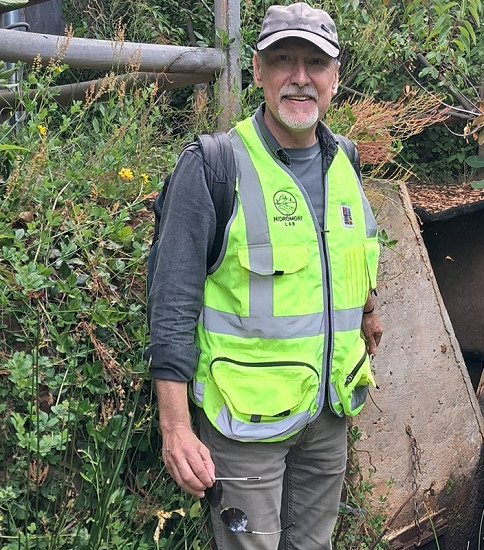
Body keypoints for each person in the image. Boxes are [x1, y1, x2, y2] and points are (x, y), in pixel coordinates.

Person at [145, 3, 383, 548]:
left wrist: (368, 312)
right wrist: (176, 426)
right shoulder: (214, 166)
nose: (300, 78)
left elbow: (351, 255)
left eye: (315, 63)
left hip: (329, 414)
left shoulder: (345, 159)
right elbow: (173, 301)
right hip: (244, 425)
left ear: (335, 77)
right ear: (257, 70)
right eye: (283, 60)